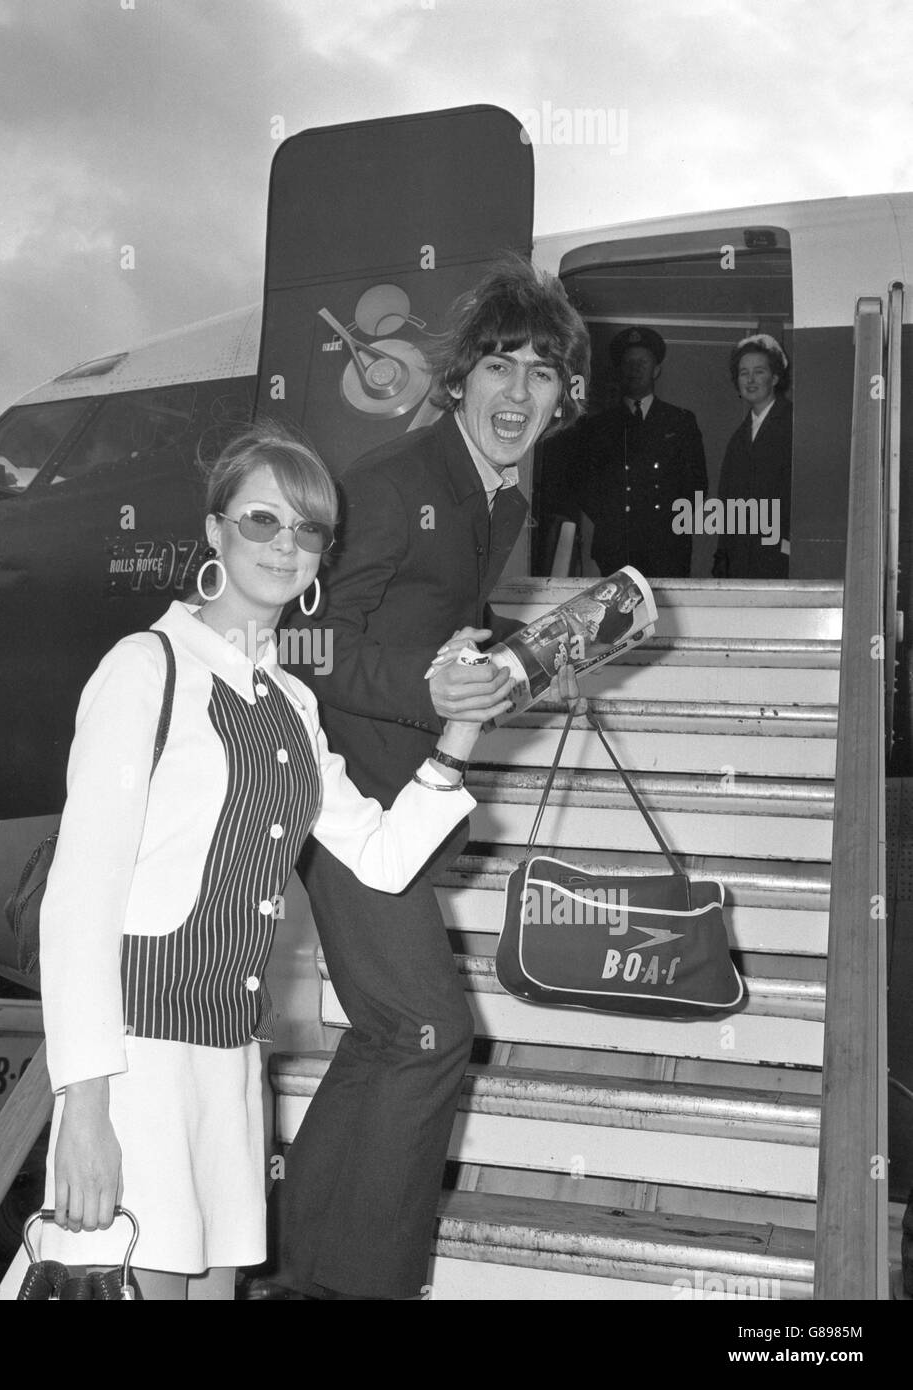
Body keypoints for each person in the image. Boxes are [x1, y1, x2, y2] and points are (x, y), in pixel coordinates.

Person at [0, 422, 521, 1302]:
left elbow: (384, 861)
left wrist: (462, 726)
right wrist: (82, 1108)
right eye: (261, 521)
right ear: (214, 532)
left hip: (234, 1072)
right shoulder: (144, 667)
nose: (286, 545)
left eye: (309, 529)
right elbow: (79, 902)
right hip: (136, 1071)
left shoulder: (293, 707)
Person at [275, 256, 590, 1300]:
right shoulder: (391, 480)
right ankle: (358, 1284)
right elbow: (305, 647)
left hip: (402, 804)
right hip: (341, 801)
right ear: (457, 377)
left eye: (541, 374)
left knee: (383, 1039)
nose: (517, 392)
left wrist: (506, 672)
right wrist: (435, 687)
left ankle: (299, 1271)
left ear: (562, 398)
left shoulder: (497, 505)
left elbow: (440, 629)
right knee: (429, 1033)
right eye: (499, 365)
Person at [573, 326, 708, 577]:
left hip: (667, 549)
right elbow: (585, 487)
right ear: (619, 370)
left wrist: (669, 526)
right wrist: (613, 522)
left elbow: (697, 487)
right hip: (615, 549)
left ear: (657, 370)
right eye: (628, 363)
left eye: (643, 362)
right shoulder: (598, 426)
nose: (635, 368)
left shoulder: (680, 421)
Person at [712, 334, 792, 579]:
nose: (750, 379)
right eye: (744, 373)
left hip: (779, 556)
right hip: (741, 558)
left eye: (759, 371)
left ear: (775, 377)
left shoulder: (794, 424)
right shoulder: (739, 438)